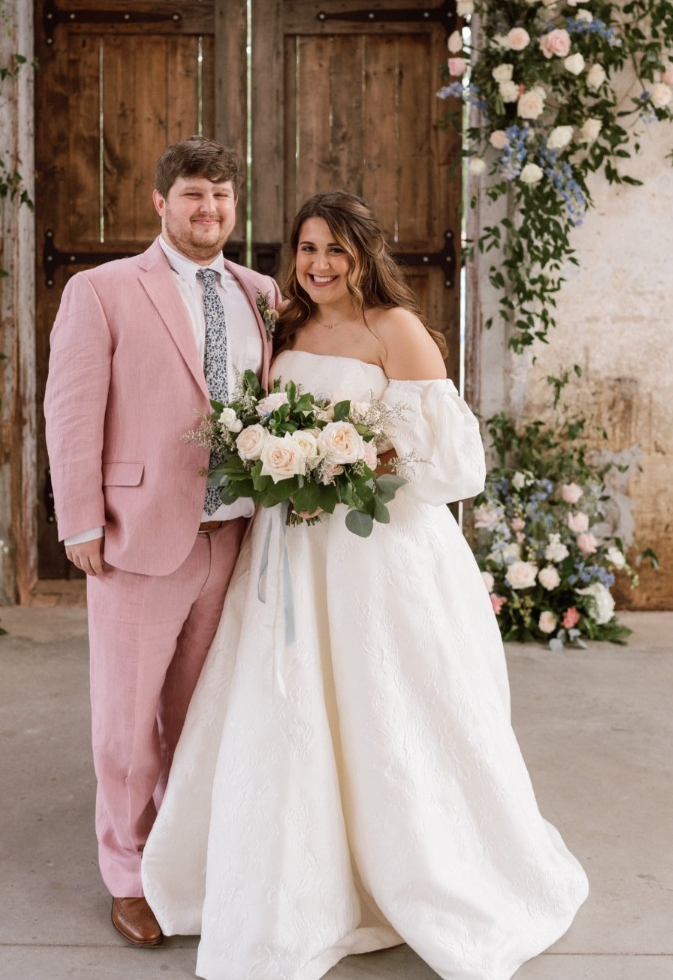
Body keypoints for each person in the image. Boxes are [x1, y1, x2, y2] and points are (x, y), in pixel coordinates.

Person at [141, 191, 589, 980]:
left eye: (335, 251)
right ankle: (295, 875)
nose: (318, 265)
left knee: (388, 703)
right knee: (287, 705)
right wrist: (283, 456)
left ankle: (412, 868)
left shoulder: (397, 331)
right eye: (307, 249)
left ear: (364, 254)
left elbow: (454, 467)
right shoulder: (288, 324)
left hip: (374, 551)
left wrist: (353, 462)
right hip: (289, 549)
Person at [43, 136, 280, 949]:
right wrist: (79, 520)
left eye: (221, 197)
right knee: (126, 722)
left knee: (201, 714)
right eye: (192, 196)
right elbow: (71, 410)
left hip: (235, 534)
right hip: (137, 538)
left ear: (234, 206)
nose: (208, 210)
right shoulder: (103, 291)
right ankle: (129, 875)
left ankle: (185, 859)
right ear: (160, 203)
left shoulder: (262, 293)